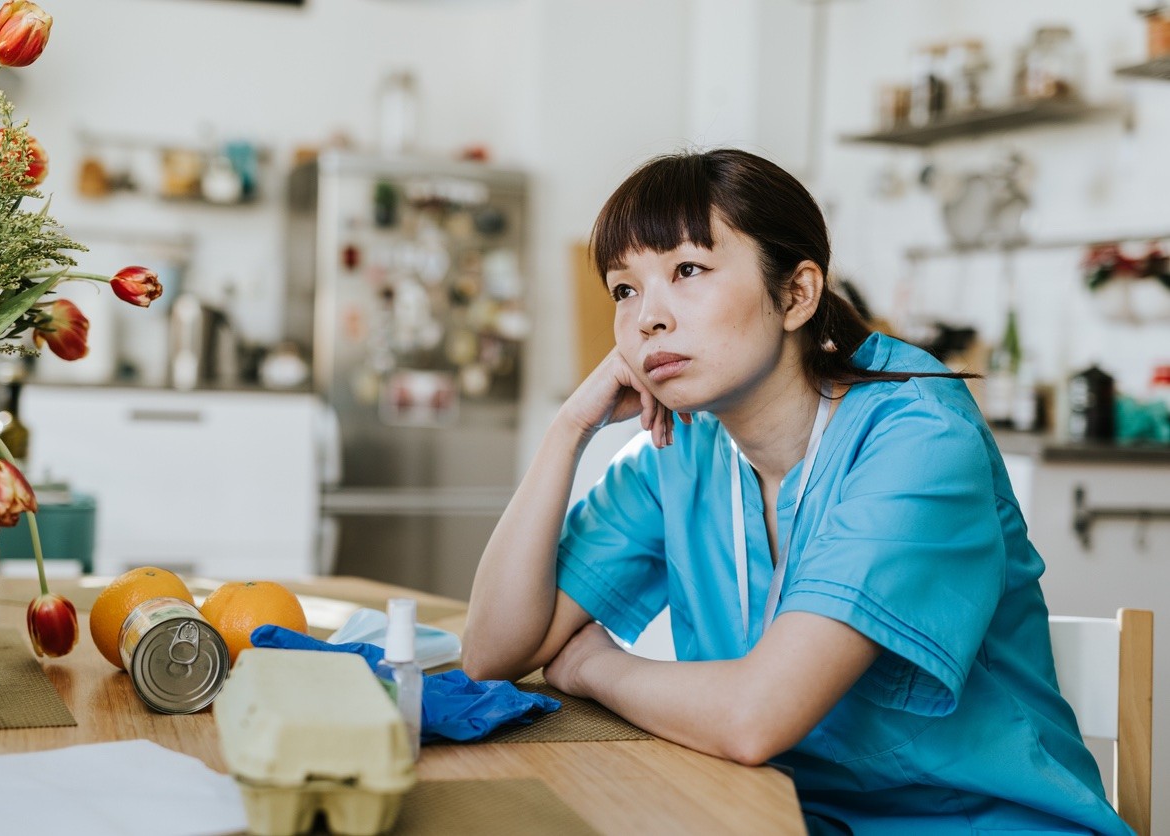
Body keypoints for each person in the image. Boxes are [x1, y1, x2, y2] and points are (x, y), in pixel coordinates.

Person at [463, 148, 1130, 835]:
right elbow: (491, 653)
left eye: (687, 270)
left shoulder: (918, 437)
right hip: (776, 818)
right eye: (623, 289)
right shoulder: (682, 449)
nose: (646, 319)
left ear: (795, 294)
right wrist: (568, 428)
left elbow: (754, 719)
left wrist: (595, 667)